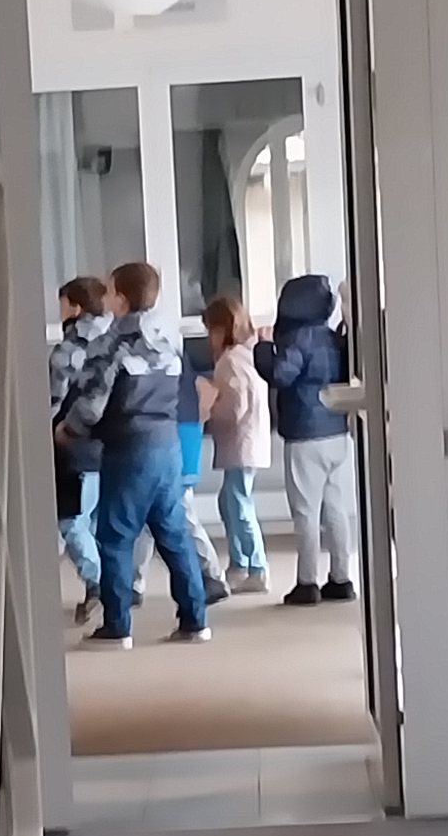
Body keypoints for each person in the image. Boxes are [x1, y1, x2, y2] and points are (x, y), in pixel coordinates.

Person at [56, 258, 212, 648]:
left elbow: (93, 403)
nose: (107, 299)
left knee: (115, 537)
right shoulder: (168, 339)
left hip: (129, 447)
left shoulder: (113, 344)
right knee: (173, 534)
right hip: (167, 445)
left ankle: (117, 626)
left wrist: (67, 430)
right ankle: (195, 620)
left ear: (122, 299)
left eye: (110, 291)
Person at [255, 271, 358, 604]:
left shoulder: (298, 339)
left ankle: (307, 581)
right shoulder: (333, 337)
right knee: (336, 508)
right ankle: (341, 577)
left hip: (304, 434)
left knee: (306, 511)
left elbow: (281, 374)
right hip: (337, 430)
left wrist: (264, 348)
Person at [198, 294, 270, 592]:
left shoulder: (229, 361)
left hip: (241, 443)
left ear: (220, 329)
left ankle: (256, 567)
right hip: (248, 442)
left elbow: (235, 406)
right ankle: (240, 563)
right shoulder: (248, 355)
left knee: (238, 504)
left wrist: (208, 406)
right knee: (230, 502)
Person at [48, 271, 110, 612]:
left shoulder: (70, 349)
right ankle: (110, 586)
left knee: (71, 520)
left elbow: (54, 399)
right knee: (94, 520)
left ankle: (98, 584)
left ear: (75, 307)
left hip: (73, 443)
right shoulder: (115, 340)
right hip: (108, 443)